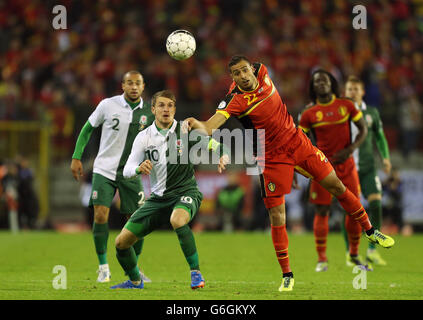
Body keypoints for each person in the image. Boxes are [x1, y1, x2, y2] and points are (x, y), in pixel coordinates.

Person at [182, 55, 395, 292]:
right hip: (271, 158)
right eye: (236, 73)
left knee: (337, 186)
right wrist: (196, 123)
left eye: (244, 70)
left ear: (253, 70)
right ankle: (287, 274)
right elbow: (211, 126)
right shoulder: (235, 100)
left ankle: (370, 230)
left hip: (298, 143)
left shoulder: (263, 71)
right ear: (231, 77)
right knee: (278, 215)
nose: (242, 76)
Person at [110, 90, 229, 289]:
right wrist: (139, 168)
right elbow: (128, 169)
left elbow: (215, 144)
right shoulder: (144, 137)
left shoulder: (185, 131)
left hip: (186, 192)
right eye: (162, 105)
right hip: (157, 200)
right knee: (121, 243)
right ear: (153, 109)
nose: (166, 109)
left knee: (177, 219)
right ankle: (135, 280)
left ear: (175, 109)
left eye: (170, 105)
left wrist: (222, 155)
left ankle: (196, 273)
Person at [70, 71, 154, 283]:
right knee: (100, 215)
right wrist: (76, 156)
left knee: (138, 221)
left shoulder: (150, 112)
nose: (134, 87)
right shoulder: (107, 105)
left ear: (143, 87)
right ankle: (103, 267)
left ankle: (133, 269)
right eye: (129, 83)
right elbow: (87, 129)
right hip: (104, 169)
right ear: (122, 85)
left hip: (131, 172)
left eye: (137, 83)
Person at [299, 70, 370, 272]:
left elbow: (363, 129)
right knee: (322, 210)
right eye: (317, 81)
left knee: (354, 210)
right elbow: (299, 141)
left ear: (332, 83)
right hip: (322, 167)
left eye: (325, 80)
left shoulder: (346, 105)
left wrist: (351, 149)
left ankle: (354, 255)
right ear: (313, 87)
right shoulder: (308, 114)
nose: (321, 83)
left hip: (346, 165)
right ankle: (322, 259)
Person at [344, 75, 392, 268]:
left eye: (356, 89)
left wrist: (386, 158)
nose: (352, 92)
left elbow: (379, 137)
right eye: (349, 89)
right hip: (347, 168)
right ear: (345, 92)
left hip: (367, 166)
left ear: (362, 92)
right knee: (350, 212)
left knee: (376, 203)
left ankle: (372, 251)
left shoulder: (372, 112)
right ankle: (350, 252)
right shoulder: (340, 113)